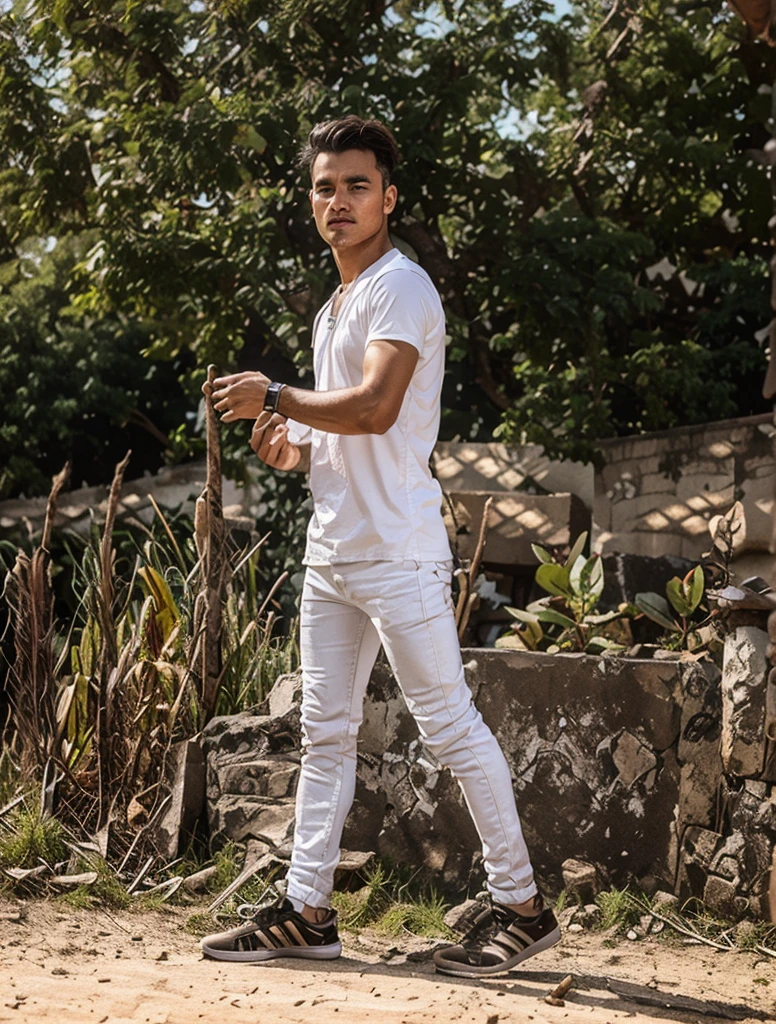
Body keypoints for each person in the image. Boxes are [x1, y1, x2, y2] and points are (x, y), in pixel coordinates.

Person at [199, 115, 560, 977]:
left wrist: (275, 395)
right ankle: (307, 913)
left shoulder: (402, 286)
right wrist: (291, 447)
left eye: (357, 186)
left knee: (449, 726)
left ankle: (524, 908)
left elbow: (374, 408)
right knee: (324, 735)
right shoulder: (335, 307)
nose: (340, 201)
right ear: (311, 202)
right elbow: (341, 434)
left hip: (399, 551)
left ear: (389, 199)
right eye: (325, 187)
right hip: (333, 554)